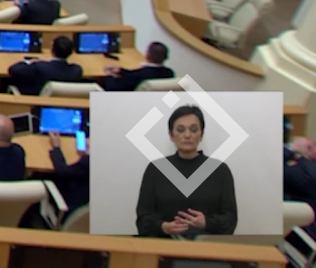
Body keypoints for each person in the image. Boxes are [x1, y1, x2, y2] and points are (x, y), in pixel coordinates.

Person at [136, 105, 237, 237]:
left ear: (201, 135)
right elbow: (143, 220)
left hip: (208, 246)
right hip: (164, 245)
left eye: (193, 130)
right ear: (171, 135)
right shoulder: (156, 169)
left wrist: (207, 223)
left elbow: (230, 220)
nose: (187, 135)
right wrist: (163, 227)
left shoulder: (219, 171)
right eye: (180, 130)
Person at [7, 35, 82, 95]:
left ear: (52, 49)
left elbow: (13, 70)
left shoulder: (39, 67)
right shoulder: (76, 71)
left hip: (36, 100)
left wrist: (28, 62)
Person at [46, 132, 90, 218]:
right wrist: (86, 155)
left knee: (41, 176)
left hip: (71, 206)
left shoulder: (88, 163)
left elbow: (62, 171)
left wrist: (56, 147)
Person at [101, 41, 174, 91]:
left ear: (147, 55)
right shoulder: (169, 73)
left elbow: (113, 89)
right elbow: (133, 74)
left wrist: (109, 75)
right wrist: (120, 70)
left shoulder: (140, 75)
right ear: (166, 57)